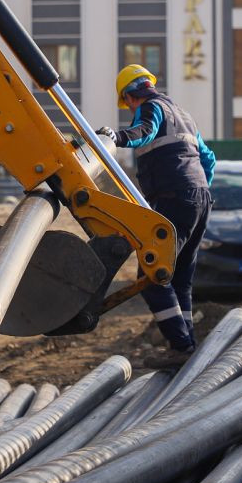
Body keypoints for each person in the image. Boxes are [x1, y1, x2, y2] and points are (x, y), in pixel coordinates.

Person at [98, 64, 216, 368]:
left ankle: (180, 346)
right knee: (179, 278)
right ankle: (187, 344)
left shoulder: (151, 108)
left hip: (174, 198)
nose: (130, 108)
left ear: (129, 96)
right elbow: (208, 158)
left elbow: (145, 131)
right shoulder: (184, 116)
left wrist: (118, 137)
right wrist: (199, 189)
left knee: (152, 274)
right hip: (200, 199)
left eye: (127, 104)